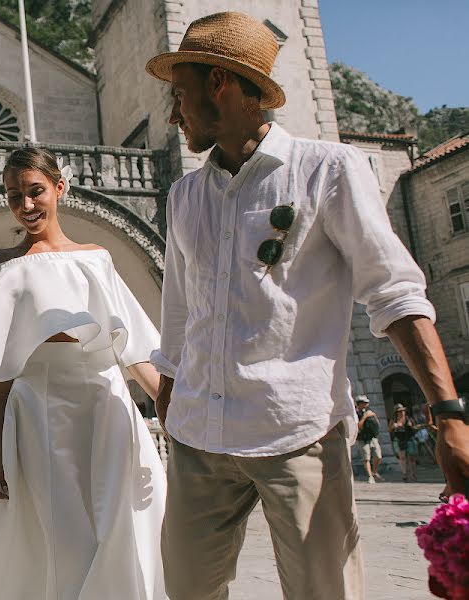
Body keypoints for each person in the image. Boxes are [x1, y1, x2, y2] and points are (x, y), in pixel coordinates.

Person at [145, 11, 469, 600]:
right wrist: (169, 391)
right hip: (197, 437)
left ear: (220, 83)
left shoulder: (328, 169)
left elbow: (393, 290)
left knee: (325, 592)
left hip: (294, 432)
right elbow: (178, 307)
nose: (173, 112)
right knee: (186, 589)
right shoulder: (185, 193)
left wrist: (448, 411)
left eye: (181, 93)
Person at [0, 147, 169, 600]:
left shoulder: (96, 257)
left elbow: (131, 348)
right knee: (65, 535)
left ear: (59, 188)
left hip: (103, 401)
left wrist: (172, 410)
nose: (26, 205)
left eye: (35, 192)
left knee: (120, 522)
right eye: (15, 195)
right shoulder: (0, 265)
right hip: (38, 409)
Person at [356, 396, 384, 483]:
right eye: (363, 403)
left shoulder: (369, 412)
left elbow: (377, 424)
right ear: (359, 404)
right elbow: (358, 427)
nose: (365, 405)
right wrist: (364, 417)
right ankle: (370, 476)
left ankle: (374, 472)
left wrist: (374, 416)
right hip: (362, 439)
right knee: (366, 458)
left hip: (372, 437)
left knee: (378, 456)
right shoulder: (356, 413)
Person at [389, 403, 419, 482]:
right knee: (402, 457)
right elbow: (389, 430)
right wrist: (394, 426)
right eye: (399, 411)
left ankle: (412, 474)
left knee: (411, 457)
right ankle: (404, 474)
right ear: (396, 412)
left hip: (409, 438)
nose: (402, 412)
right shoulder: (394, 420)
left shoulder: (408, 418)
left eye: (403, 411)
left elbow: (415, 428)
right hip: (399, 439)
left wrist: (411, 426)